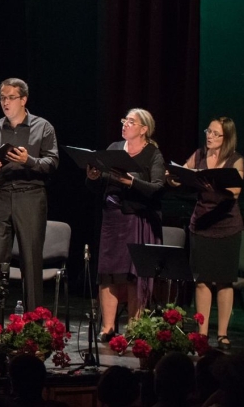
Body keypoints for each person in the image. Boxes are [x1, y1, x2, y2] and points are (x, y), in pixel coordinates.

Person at [0, 78, 59, 321]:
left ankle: (33, 323)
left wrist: (29, 161)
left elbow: (53, 162)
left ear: (23, 99)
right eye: (2, 97)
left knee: (31, 260)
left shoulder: (42, 127)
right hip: (0, 196)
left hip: (30, 196)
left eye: (10, 97)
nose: (5, 102)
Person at [85, 108, 165, 340]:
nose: (125, 125)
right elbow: (98, 185)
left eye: (131, 122)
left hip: (136, 218)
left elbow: (158, 187)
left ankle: (134, 327)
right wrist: (93, 178)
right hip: (112, 219)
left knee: (133, 275)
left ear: (144, 129)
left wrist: (130, 181)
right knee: (108, 273)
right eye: (124, 120)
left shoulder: (152, 154)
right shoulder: (113, 149)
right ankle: (108, 328)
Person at [180, 117, 244, 350]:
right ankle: (203, 332)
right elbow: (184, 173)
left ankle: (223, 333)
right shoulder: (199, 155)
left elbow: (235, 192)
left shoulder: (235, 160)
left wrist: (215, 187)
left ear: (226, 138)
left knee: (224, 281)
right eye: (208, 131)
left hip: (227, 227)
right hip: (201, 225)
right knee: (202, 280)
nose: (209, 136)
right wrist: (174, 177)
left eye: (215, 133)